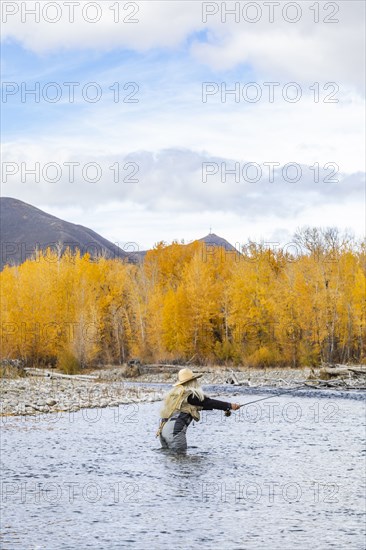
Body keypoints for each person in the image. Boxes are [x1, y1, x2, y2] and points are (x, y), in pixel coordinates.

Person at [157, 368, 240, 452]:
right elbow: (209, 403)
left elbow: (202, 405)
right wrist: (229, 405)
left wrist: (225, 408)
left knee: (171, 460)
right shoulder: (191, 395)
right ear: (192, 381)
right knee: (181, 458)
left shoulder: (176, 395)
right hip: (175, 431)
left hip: (163, 430)